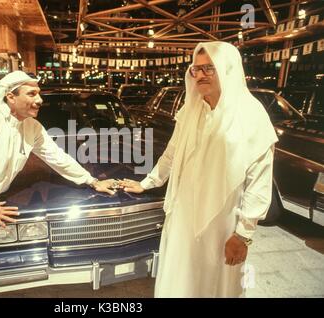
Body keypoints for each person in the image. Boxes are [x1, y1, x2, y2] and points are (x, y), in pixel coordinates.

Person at [0, 71, 117, 297]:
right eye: (32, 93)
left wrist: (92, 181)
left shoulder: (31, 127)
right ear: (10, 97)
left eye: (39, 93)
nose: (39, 100)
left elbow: (57, 157)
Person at [119, 41, 278, 297]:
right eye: (196, 69)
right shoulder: (190, 110)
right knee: (180, 280)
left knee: (216, 282)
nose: (201, 75)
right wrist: (147, 182)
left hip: (223, 220)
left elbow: (259, 181)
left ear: (228, 69)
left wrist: (244, 234)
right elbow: (171, 154)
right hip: (183, 214)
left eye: (209, 68)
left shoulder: (252, 115)